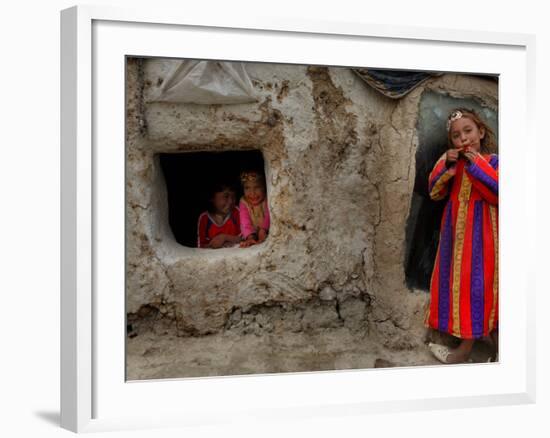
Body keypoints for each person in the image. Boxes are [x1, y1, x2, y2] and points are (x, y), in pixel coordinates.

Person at [425, 108, 499, 364]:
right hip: (455, 240)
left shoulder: (493, 162)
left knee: (480, 288)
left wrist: (475, 162)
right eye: (457, 136)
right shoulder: (453, 164)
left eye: (468, 131)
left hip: (484, 239)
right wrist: (447, 164)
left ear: (481, 131)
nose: (464, 138)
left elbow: (500, 192)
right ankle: (497, 353)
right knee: (463, 289)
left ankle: (465, 353)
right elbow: (434, 191)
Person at [197, 182, 242, 249]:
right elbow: (201, 247)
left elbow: (245, 237)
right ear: (212, 198)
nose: (231, 201)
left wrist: (224, 237)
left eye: (233, 197)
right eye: (226, 196)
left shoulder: (236, 212)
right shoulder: (204, 218)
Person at [238, 170, 270, 248]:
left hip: (266, 231)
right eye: (247, 188)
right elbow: (245, 221)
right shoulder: (243, 202)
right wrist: (250, 237)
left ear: (264, 187)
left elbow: (269, 215)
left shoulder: (267, 198)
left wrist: (263, 229)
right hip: (250, 234)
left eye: (257, 187)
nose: (252, 193)